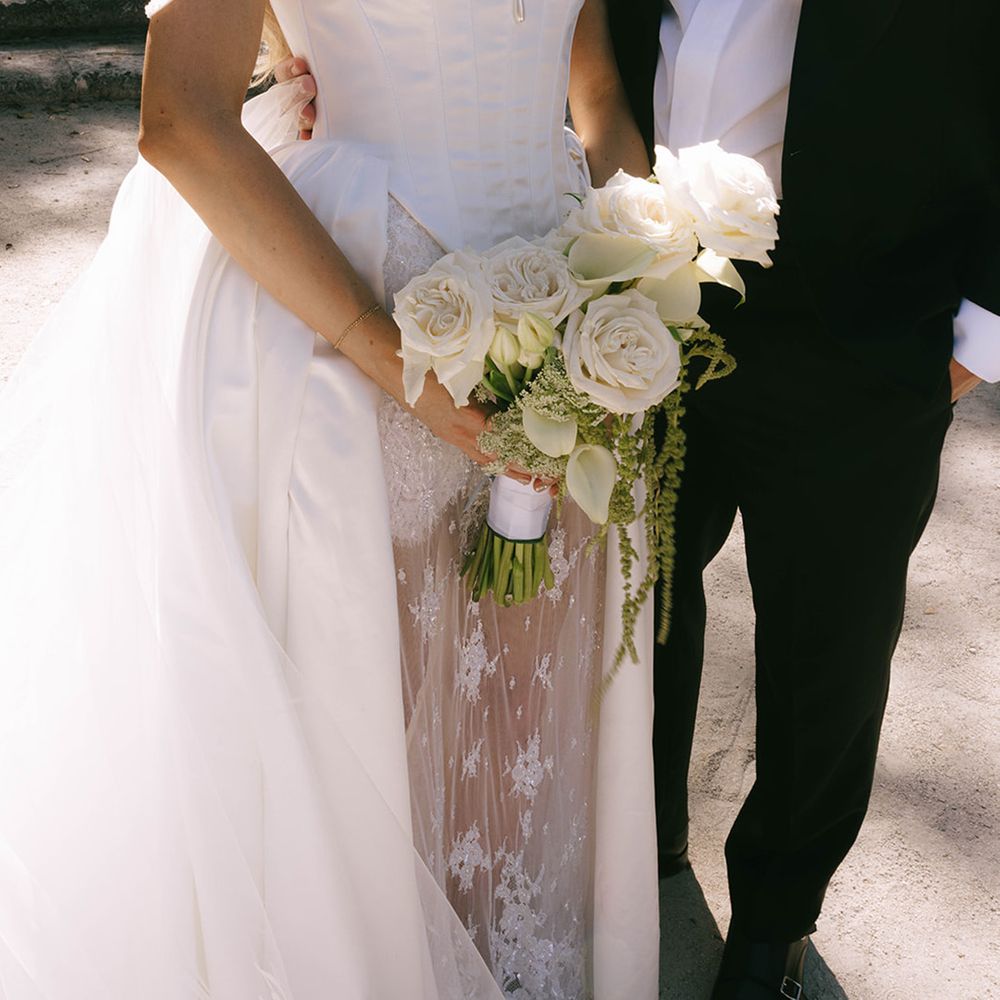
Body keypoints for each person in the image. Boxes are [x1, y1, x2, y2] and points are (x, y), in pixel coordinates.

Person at [0, 1, 662, 997]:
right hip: (355, 296)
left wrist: (644, 276)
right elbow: (178, 114)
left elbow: (596, 81)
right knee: (373, 718)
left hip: (568, 302)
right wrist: (387, 356)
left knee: (530, 704)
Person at [605, 1, 998, 997]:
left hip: (863, 338)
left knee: (823, 651)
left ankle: (774, 918)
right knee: (630, 589)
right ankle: (640, 827)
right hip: (646, 295)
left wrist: (972, 349)